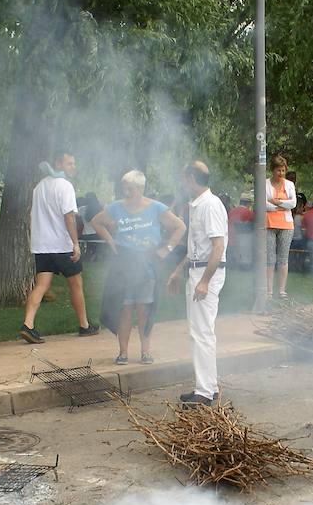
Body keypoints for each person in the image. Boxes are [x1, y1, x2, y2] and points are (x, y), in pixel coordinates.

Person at [91, 169, 186, 363]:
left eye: (131, 188)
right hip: (124, 264)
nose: (126, 192)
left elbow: (180, 227)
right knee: (124, 309)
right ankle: (123, 352)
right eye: (124, 188)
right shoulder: (116, 207)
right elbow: (96, 222)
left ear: (141, 188)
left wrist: (165, 249)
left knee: (144, 309)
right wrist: (110, 241)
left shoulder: (156, 208)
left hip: (147, 264)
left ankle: (145, 352)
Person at [19, 152, 98, 343]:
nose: (73, 167)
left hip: (42, 245)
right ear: (58, 164)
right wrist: (75, 244)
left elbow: (33, 214)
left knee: (41, 286)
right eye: (69, 163)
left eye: (74, 163)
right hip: (62, 245)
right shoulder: (65, 186)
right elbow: (69, 217)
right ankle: (84, 325)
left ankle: (27, 325)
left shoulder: (39, 187)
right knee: (76, 284)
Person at [166, 160, 226, 406]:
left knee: (202, 332)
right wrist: (179, 271)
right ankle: (207, 387)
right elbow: (196, 248)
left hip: (205, 274)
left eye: (184, 178)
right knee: (199, 331)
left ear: (191, 177)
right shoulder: (198, 205)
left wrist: (204, 281)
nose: (182, 183)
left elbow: (218, 246)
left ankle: (205, 391)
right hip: (197, 271)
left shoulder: (210, 205)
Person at [265, 155, 297, 299]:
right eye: (278, 170)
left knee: (283, 258)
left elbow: (293, 204)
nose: (281, 174)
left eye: (283, 170)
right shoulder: (265, 184)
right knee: (270, 258)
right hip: (269, 224)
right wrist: (282, 203)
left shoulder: (289, 185)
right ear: (272, 170)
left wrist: (276, 202)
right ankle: (269, 290)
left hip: (286, 225)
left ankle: (282, 290)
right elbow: (264, 204)